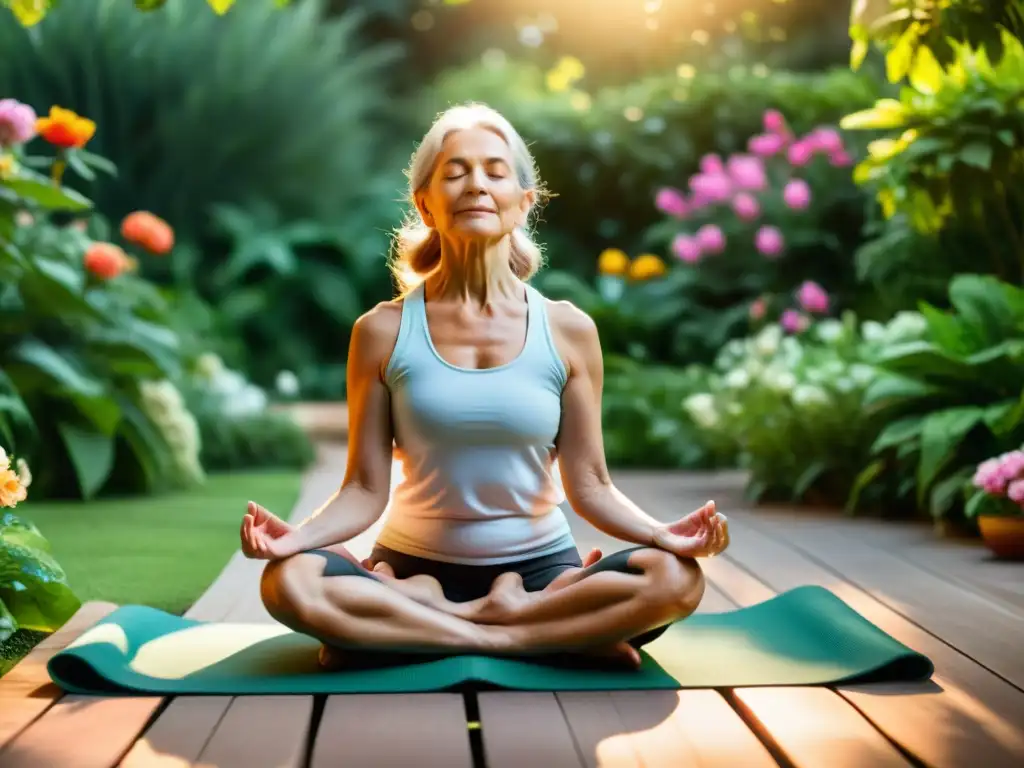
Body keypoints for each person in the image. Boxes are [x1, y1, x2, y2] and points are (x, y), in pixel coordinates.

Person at [241, 103, 729, 670]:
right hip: (408, 566)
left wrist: (663, 534)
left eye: (495, 172)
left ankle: (412, 629)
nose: (476, 184)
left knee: (674, 579)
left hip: (542, 573)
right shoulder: (381, 331)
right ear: (426, 204)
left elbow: (591, 484)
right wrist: (294, 540)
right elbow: (362, 489)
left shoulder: (569, 331)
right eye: (455, 172)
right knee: (288, 582)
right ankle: (522, 635)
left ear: (524, 201)